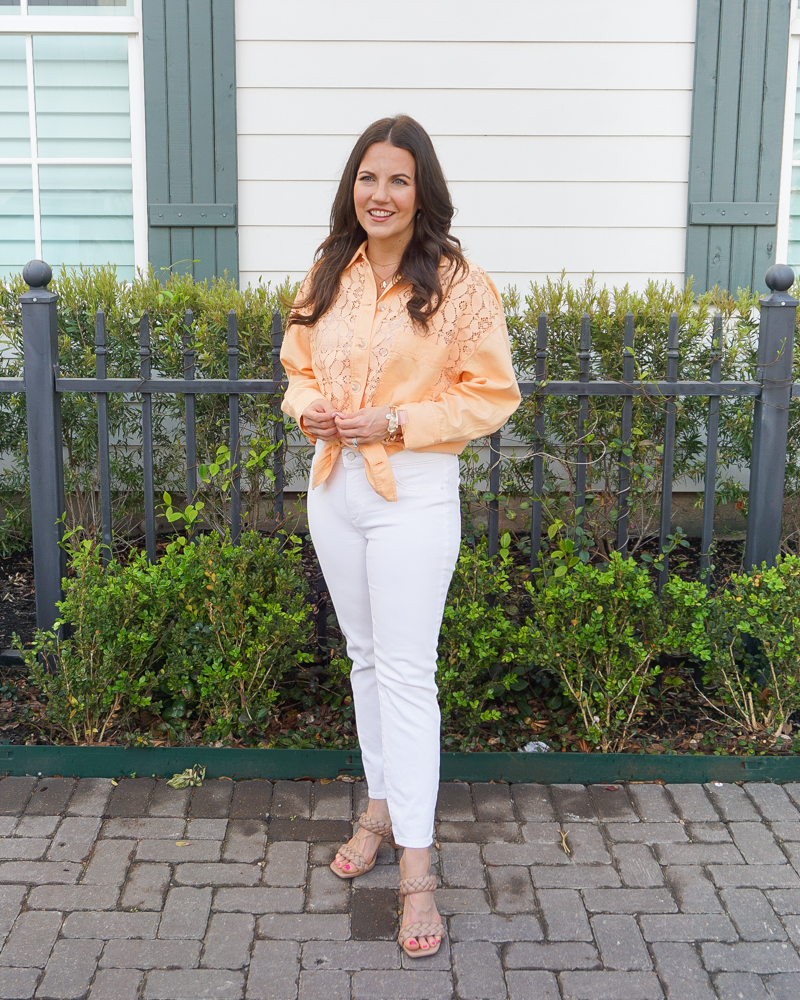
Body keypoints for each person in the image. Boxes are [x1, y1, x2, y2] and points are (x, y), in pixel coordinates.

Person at [281, 114, 520, 958]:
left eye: (398, 181)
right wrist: (304, 407)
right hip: (333, 484)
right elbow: (297, 362)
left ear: (423, 192)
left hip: (412, 489)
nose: (379, 195)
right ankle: (380, 808)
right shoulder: (328, 269)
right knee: (366, 659)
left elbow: (492, 395)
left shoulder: (458, 283)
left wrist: (394, 419)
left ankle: (418, 873)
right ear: (353, 186)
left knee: (408, 676)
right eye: (368, 178)